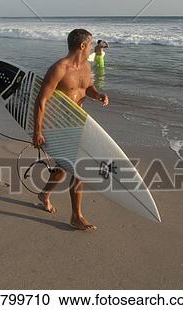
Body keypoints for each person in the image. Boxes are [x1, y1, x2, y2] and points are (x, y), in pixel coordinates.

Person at [32, 29, 109, 231]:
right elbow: (42, 100)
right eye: (91, 44)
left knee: (63, 170)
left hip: (79, 121)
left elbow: (87, 88)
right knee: (78, 170)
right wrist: (37, 131)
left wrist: (98, 95)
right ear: (82, 46)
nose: (93, 47)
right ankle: (77, 216)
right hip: (59, 124)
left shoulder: (85, 66)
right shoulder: (59, 69)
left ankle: (43, 194)